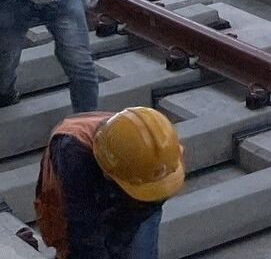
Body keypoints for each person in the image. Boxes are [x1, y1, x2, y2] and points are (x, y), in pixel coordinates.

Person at [33, 106, 184, 259]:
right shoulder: (72, 153)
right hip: (77, 196)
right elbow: (84, 231)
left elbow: (146, 209)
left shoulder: (162, 155)